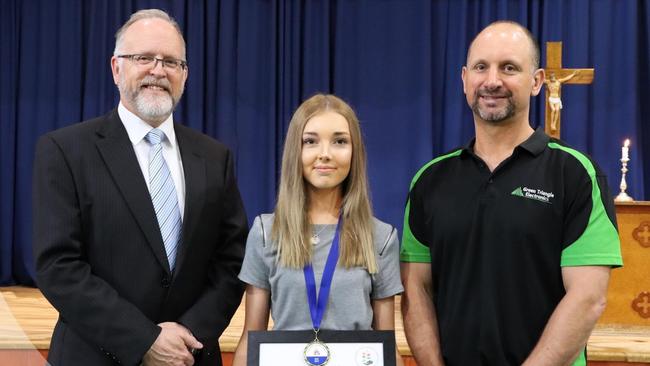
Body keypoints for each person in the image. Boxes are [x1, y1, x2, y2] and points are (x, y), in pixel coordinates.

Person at [32, 9, 248, 366]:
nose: (158, 70)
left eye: (171, 62)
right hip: (96, 356)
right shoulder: (65, 150)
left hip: (188, 356)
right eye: (144, 58)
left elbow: (232, 260)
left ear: (184, 75)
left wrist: (186, 334)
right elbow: (58, 266)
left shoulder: (214, 157)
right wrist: (144, 340)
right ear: (116, 68)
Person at [400, 20, 622, 366]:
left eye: (509, 68)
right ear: (464, 79)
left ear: (536, 82)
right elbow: (417, 292)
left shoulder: (575, 174)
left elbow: (588, 298)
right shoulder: (430, 180)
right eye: (480, 67)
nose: (492, 81)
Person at [231, 94, 404, 366]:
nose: (325, 153)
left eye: (339, 141)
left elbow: (386, 346)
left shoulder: (381, 237)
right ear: (295, 152)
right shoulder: (266, 232)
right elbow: (250, 343)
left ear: (355, 151)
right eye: (310, 141)